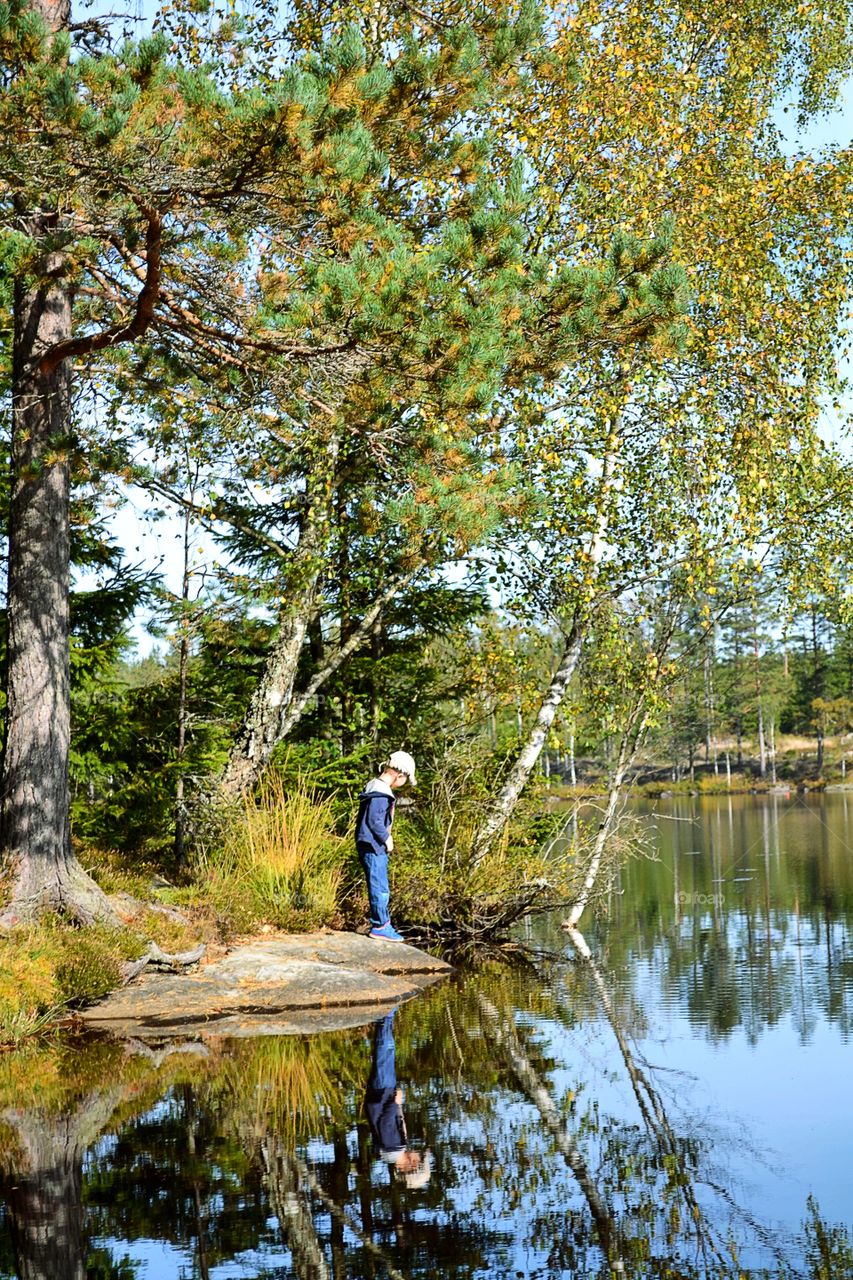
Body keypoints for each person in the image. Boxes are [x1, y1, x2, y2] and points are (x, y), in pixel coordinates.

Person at [364, 1011, 432, 1190]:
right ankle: (385, 1018)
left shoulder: (393, 1147)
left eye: (419, 1159)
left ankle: (386, 1016)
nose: (418, 1155)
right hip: (381, 1095)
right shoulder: (391, 1149)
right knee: (386, 1053)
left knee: (385, 1052)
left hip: (383, 1094)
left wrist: (395, 1102)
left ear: (412, 1165)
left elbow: (386, 1122)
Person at [356, 749, 415, 943]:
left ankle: (382, 923)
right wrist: (386, 838)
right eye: (405, 779)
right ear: (399, 775)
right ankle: (380, 926)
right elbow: (374, 821)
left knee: (379, 884)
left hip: (370, 845)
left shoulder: (374, 786)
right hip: (374, 846)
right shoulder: (381, 793)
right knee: (380, 887)